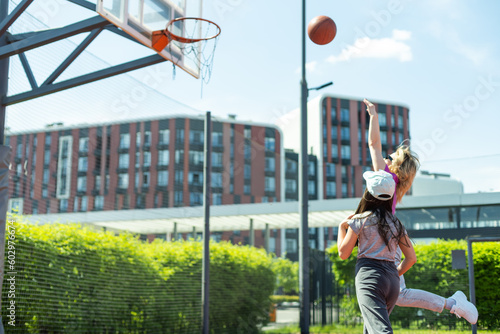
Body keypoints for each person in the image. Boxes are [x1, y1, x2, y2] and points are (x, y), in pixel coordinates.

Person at [363, 98, 478, 324]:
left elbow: (373, 144)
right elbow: (375, 147)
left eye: (393, 156)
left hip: (387, 239)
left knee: (397, 294)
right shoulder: (393, 183)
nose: (388, 156)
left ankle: (452, 304)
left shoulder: (388, 178)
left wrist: (373, 115)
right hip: (386, 237)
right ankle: (451, 304)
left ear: (395, 168)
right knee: (388, 296)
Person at [338, 170, 417, 334]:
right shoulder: (396, 223)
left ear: (368, 194)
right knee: (371, 329)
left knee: (380, 330)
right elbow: (411, 258)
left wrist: (341, 227)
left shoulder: (360, 220)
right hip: (392, 282)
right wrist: (394, 273)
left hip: (369, 277)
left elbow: (343, 253)